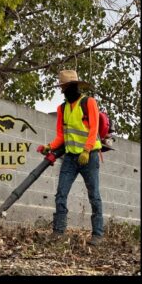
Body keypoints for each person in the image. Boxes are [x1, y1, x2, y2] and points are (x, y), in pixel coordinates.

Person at [37, 70, 104, 246]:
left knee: (94, 196)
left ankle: (98, 234)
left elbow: (94, 129)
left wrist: (86, 150)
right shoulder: (62, 108)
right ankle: (58, 232)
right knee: (61, 193)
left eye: (68, 86)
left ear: (75, 86)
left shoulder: (89, 102)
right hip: (70, 158)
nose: (66, 90)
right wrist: (49, 147)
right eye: (64, 87)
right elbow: (61, 135)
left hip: (89, 157)